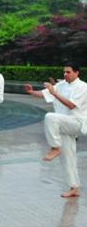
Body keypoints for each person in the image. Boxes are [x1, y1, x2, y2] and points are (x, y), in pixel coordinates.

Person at [25, 63, 87, 198]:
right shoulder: (61, 85)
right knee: (67, 158)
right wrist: (31, 92)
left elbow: (71, 105)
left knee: (50, 117)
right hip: (63, 124)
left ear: (77, 73)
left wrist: (55, 93)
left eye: (68, 72)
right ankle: (74, 188)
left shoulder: (83, 87)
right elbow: (44, 94)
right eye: (64, 72)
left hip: (77, 122)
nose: (65, 74)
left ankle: (55, 147)